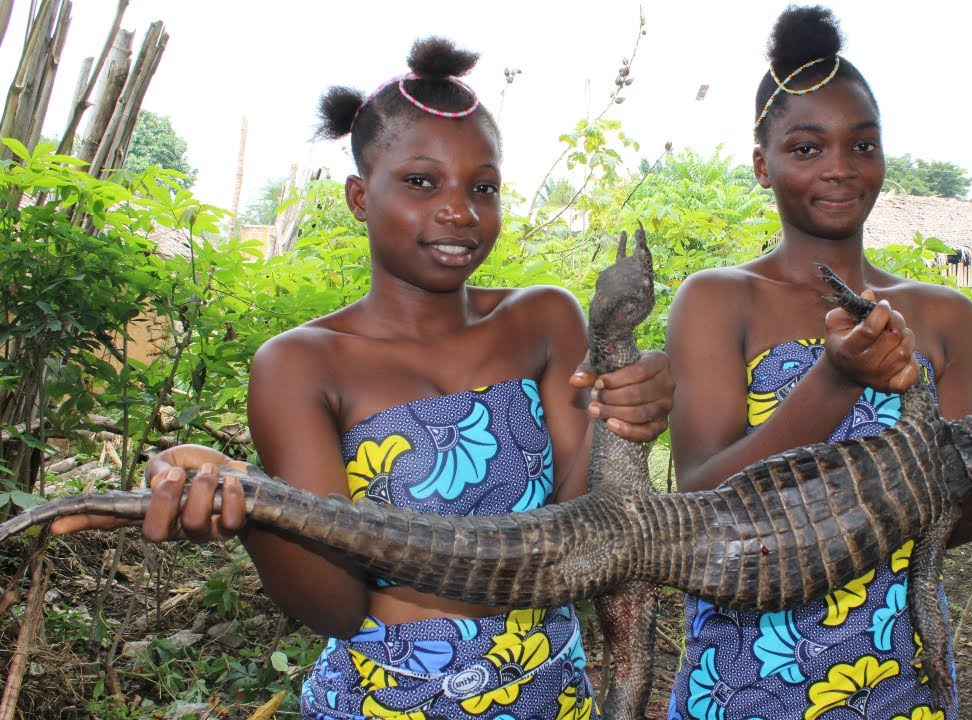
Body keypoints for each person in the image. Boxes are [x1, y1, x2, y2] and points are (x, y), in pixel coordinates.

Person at [53, 37, 672, 720]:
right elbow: (336, 606)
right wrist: (255, 508)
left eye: (483, 186)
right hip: (387, 700)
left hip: (552, 692)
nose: (460, 209)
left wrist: (627, 413)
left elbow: (586, 522)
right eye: (420, 181)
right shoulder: (301, 364)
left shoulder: (543, 318)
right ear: (357, 195)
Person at [662, 7, 972, 719]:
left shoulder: (944, 318)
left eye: (863, 144)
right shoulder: (719, 302)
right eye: (807, 148)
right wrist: (834, 380)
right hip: (745, 674)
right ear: (763, 164)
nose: (841, 168)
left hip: (897, 671)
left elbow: (945, 521)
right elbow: (698, 512)